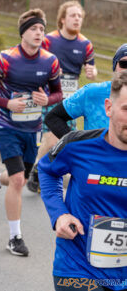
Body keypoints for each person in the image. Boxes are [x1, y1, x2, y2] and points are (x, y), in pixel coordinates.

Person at [0, 8, 62, 256]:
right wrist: (7, 104)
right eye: (34, 28)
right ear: (23, 32)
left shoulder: (50, 61)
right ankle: (15, 238)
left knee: (19, 178)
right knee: (18, 180)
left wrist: (46, 99)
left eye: (42, 29)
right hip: (7, 127)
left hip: (33, 129)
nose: (39, 33)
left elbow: (58, 93)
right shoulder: (6, 58)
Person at [39, 70, 127, 291]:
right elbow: (47, 171)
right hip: (77, 270)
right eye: (126, 109)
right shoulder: (77, 145)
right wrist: (59, 214)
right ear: (108, 107)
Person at [26, 0, 97, 192]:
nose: (77, 19)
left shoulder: (86, 44)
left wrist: (92, 73)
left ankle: (40, 170)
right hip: (51, 95)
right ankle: (37, 172)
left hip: (71, 100)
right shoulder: (49, 40)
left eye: (80, 16)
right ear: (63, 19)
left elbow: (92, 68)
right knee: (51, 138)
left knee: (67, 140)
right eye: (73, 15)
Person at [45, 43, 127, 139]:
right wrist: (77, 145)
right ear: (115, 66)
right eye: (124, 64)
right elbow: (53, 117)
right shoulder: (92, 92)